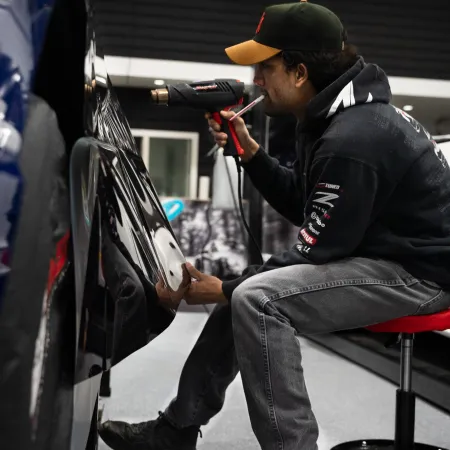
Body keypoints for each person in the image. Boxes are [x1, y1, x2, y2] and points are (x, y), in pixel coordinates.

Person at [99, 2, 450, 449]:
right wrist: (252, 156)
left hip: (423, 275)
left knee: (257, 296)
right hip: (387, 256)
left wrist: (221, 288)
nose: (256, 81)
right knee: (251, 286)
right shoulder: (332, 118)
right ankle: (175, 432)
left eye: (265, 68)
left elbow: (318, 248)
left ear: (299, 72)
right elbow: (311, 208)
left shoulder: (354, 138)